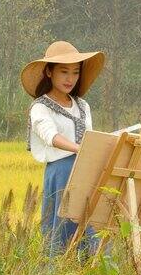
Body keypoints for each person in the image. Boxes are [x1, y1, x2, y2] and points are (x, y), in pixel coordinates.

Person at [20, 41, 105, 259]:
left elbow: (91, 136)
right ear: (49, 72)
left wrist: (93, 151)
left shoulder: (83, 106)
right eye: (64, 72)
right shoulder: (40, 107)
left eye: (75, 72)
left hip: (87, 171)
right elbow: (51, 136)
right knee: (62, 228)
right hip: (61, 173)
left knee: (91, 225)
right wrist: (79, 148)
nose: (70, 78)